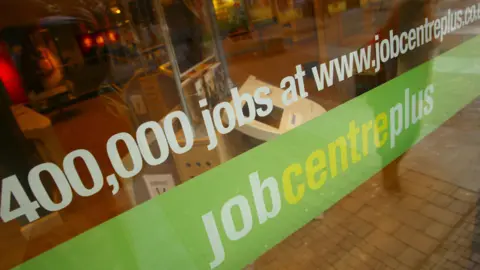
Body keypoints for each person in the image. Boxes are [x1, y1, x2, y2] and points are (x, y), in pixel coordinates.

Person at [373, 0, 437, 191]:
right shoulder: (406, 12)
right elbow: (391, 44)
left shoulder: (422, 11)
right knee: (407, 129)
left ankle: (390, 167)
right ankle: (389, 168)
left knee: (411, 128)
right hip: (404, 84)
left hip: (414, 83)